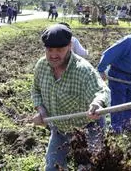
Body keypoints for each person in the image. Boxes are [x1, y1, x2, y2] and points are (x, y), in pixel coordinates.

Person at [31, 24, 110, 170]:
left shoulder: (83, 70)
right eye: (49, 50)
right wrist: (41, 110)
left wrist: (97, 103)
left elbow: (102, 90)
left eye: (59, 50)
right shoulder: (41, 66)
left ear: (69, 46)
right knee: (52, 167)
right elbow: (35, 90)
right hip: (60, 129)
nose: (54, 55)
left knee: (88, 167)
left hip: (88, 128)